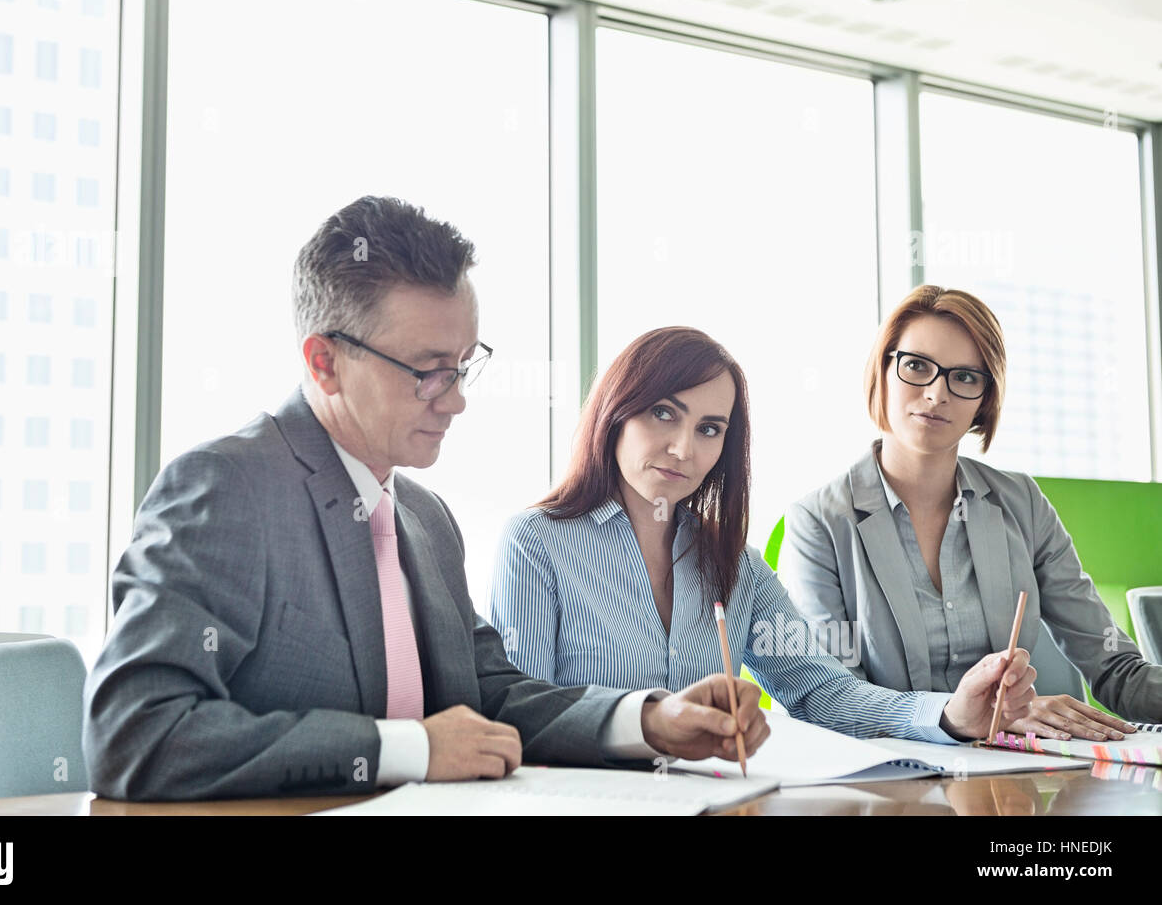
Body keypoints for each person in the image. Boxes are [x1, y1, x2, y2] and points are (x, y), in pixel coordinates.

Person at [83, 197, 754, 801]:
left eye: (462, 367)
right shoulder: (225, 489)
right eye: (428, 372)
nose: (457, 399)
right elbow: (137, 733)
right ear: (324, 362)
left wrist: (646, 721)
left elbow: (491, 695)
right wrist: (408, 750)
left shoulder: (424, 518)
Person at [490, 326, 1036, 744]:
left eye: (709, 429)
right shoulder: (537, 544)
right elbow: (529, 714)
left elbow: (818, 689)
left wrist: (948, 713)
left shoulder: (734, 564)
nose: (684, 448)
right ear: (615, 413)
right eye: (662, 413)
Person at [782, 284, 1162, 738]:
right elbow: (831, 698)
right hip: (890, 785)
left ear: (985, 397)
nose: (936, 394)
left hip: (1013, 782)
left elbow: (1115, 668)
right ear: (882, 371)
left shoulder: (1021, 503)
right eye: (917, 366)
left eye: (964, 377)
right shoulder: (819, 521)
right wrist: (955, 717)